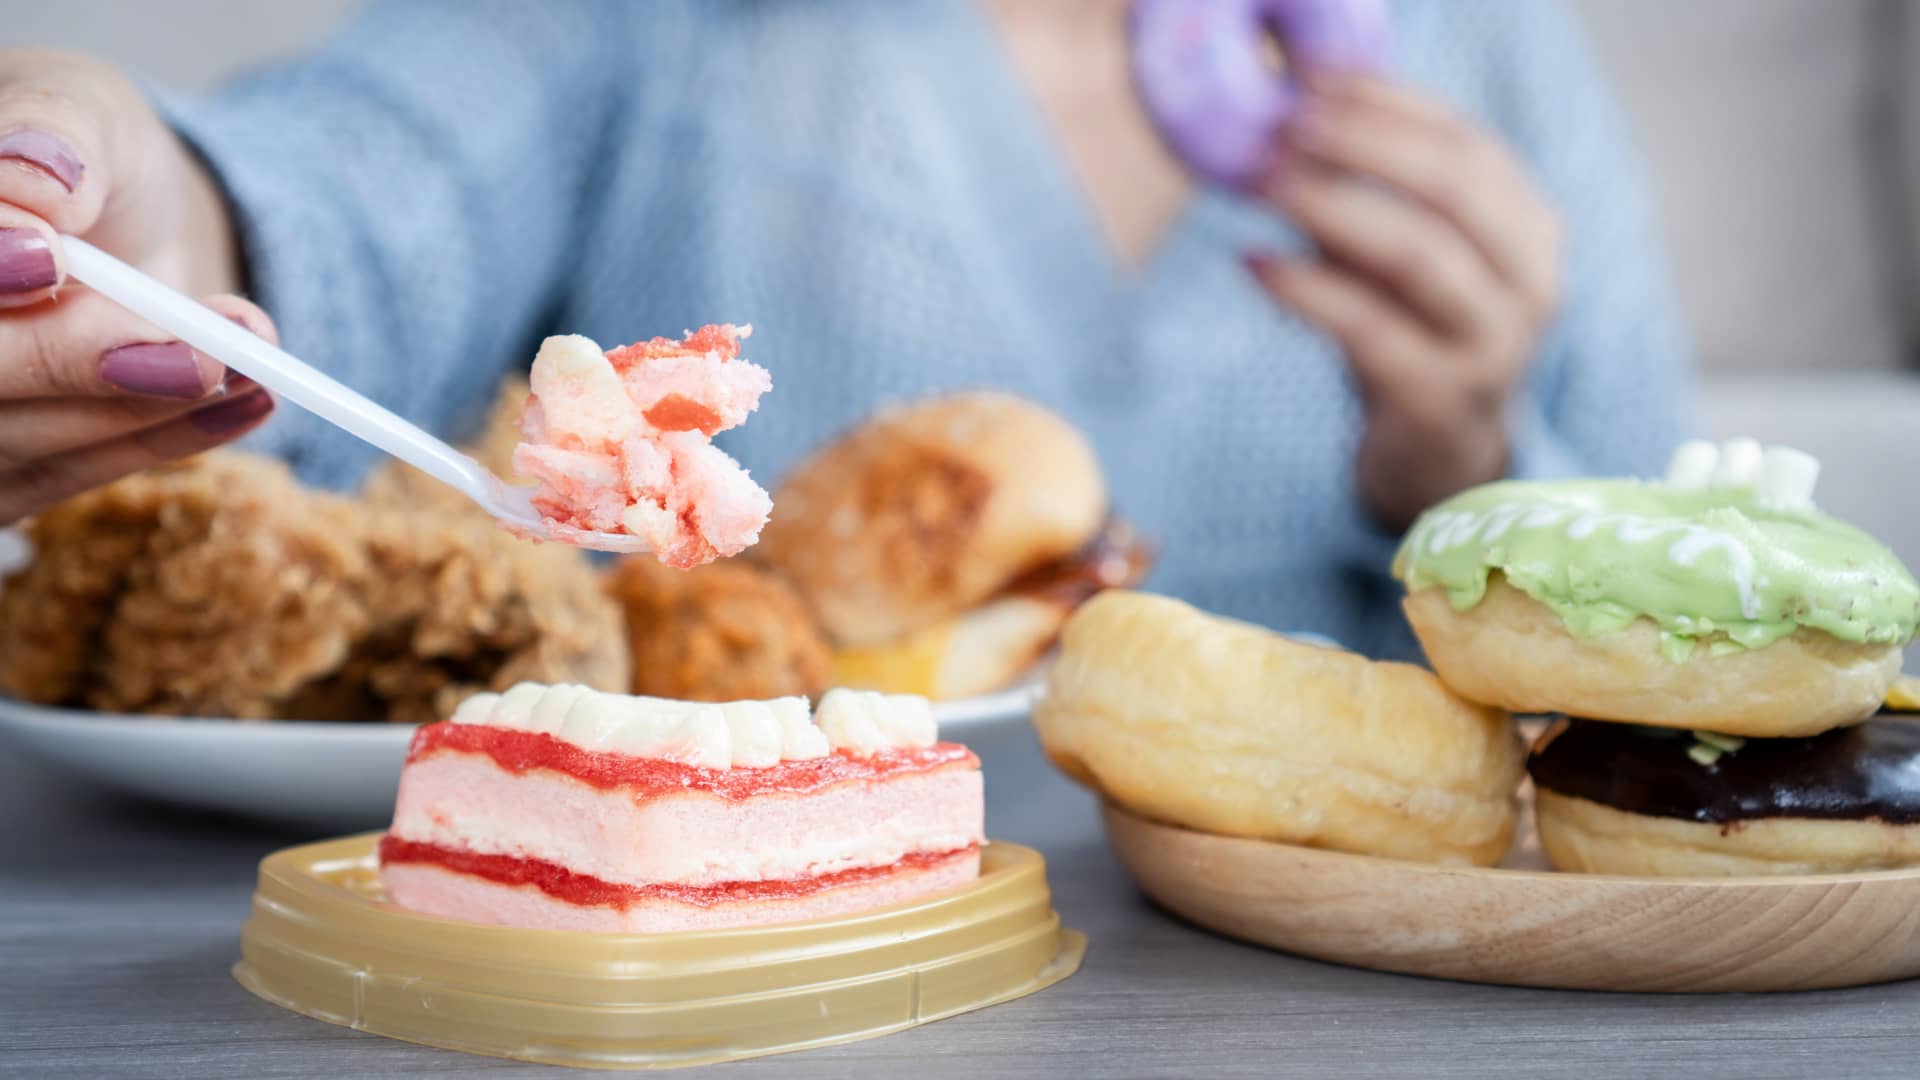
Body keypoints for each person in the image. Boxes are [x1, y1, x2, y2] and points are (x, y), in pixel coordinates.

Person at [0, 0, 1688, 658]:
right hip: (729, 956)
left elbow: (1672, 608)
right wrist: (168, 212)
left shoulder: (1493, 54)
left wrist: (1461, 465)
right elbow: (366, 194)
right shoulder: (666, 31)